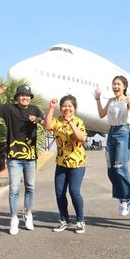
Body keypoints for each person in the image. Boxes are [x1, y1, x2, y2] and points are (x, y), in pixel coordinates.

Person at [0, 83, 44, 235]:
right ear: (17, 97)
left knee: (30, 187)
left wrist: (38, 120)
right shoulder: (9, 109)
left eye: (27, 95)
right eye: (22, 95)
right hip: (14, 157)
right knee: (14, 189)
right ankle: (13, 218)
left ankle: (28, 214)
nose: (25, 97)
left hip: (31, 157)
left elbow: (46, 123)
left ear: (30, 98)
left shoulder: (35, 109)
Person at [94, 76, 130, 216]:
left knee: (120, 168)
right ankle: (122, 199)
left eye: (118, 84)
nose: (115, 87)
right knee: (111, 170)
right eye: (114, 84)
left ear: (124, 86)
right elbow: (102, 114)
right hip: (111, 133)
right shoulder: (110, 101)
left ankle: (127, 198)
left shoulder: (128, 99)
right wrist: (97, 100)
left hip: (123, 133)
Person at [44, 95, 87, 234]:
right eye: (64, 106)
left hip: (77, 163)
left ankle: (80, 221)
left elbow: (81, 138)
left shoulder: (79, 122)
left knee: (74, 191)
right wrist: (51, 108)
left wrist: (71, 123)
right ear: (60, 108)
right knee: (59, 192)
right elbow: (47, 125)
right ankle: (64, 219)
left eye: (70, 106)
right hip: (61, 162)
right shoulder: (58, 122)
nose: (67, 108)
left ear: (74, 108)